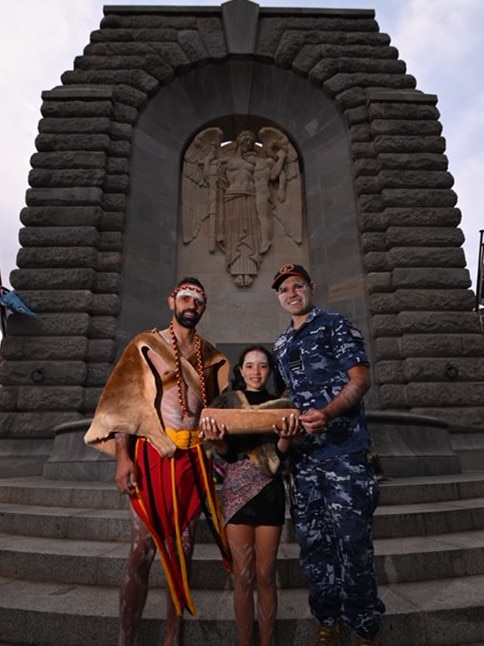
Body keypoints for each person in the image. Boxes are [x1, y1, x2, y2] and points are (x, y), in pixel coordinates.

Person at [84, 277, 232, 646]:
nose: (191, 305)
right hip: (153, 453)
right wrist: (123, 459)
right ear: (172, 301)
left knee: (183, 548)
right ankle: (126, 639)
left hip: (193, 458)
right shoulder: (146, 345)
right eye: (185, 297)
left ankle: (173, 638)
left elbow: (212, 410)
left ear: (204, 307)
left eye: (198, 300)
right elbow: (125, 404)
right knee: (143, 549)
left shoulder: (209, 355)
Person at [270, 263, 385, 646]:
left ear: (310, 288)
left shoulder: (336, 325)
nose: (291, 293)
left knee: (352, 543)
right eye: (284, 289)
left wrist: (328, 413)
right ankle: (328, 620)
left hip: (344, 455)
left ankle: (365, 627)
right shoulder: (282, 346)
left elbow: (360, 380)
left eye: (297, 286)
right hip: (305, 464)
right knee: (314, 545)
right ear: (279, 297)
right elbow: (291, 398)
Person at [200, 345, 299, 646]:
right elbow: (225, 456)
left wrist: (285, 441)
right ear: (240, 370)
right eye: (250, 366)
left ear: (269, 371)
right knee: (243, 577)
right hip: (236, 494)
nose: (256, 372)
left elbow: (281, 461)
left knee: (266, 575)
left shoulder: (281, 405)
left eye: (263, 366)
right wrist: (217, 445)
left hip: (269, 492)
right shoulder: (224, 403)